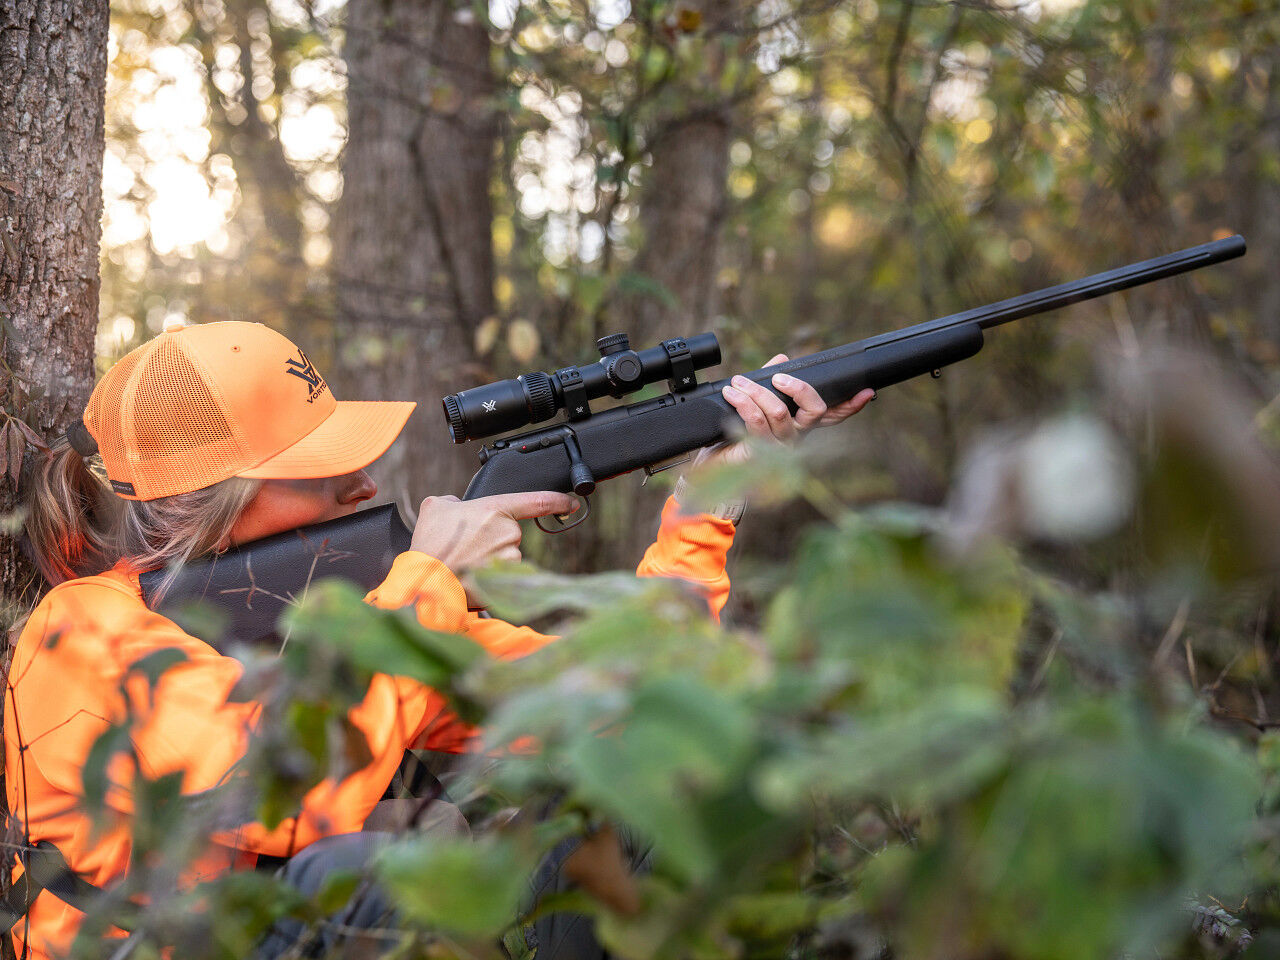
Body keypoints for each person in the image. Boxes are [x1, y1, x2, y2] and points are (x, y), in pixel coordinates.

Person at [6, 321, 874, 959]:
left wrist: (708, 503)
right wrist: (431, 584)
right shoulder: (81, 634)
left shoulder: (367, 611)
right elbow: (292, 789)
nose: (367, 482)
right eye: (326, 471)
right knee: (356, 872)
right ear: (220, 502)